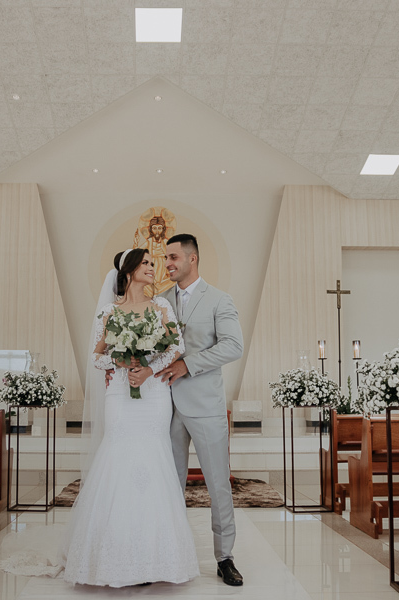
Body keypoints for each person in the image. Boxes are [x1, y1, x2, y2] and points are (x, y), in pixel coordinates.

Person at [59, 247, 199, 587]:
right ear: (130, 270)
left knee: (153, 459)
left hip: (152, 395)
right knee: (118, 457)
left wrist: (148, 370)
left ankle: (155, 558)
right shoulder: (109, 311)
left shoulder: (161, 306)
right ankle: (111, 556)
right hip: (121, 395)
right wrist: (122, 363)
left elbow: (176, 347)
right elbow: (97, 357)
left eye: (155, 263)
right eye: (147, 263)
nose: (154, 268)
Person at [156, 233, 245, 587]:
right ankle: (170, 552)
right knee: (169, 484)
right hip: (164, 408)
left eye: (173, 257)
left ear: (192, 259)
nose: (168, 264)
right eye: (165, 258)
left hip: (205, 406)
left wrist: (188, 364)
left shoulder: (219, 300)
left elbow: (232, 346)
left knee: (218, 485)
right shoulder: (160, 301)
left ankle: (225, 558)